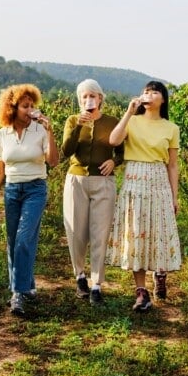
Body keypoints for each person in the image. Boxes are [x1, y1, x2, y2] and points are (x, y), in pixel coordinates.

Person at [107, 80, 181, 312]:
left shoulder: (171, 128)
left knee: (158, 230)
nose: (149, 94)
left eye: (154, 91)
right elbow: (114, 140)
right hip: (134, 180)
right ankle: (141, 292)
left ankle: (160, 273)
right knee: (136, 231)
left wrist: (174, 196)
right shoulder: (133, 121)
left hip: (159, 180)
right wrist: (128, 113)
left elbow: (172, 165)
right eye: (146, 91)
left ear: (163, 99)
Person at [0, 84, 59, 316]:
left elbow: (54, 162)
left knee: (23, 239)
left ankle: (17, 293)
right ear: (12, 108)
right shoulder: (2, 135)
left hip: (35, 189)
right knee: (12, 241)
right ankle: (25, 286)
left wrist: (50, 131)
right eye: (25, 106)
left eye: (32, 106)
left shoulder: (39, 131)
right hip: (12, 190)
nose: (30, 110)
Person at [61, 79, 124, 305]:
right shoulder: (71, 120)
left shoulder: (112, 122)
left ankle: (96, 284)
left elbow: (122, 151)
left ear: (100, 99)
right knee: (76, 231)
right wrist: (78, 125)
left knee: (100, 232)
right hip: (76, 180)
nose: (89, 101)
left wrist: (114, 162)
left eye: (92, 96)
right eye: (84, 97)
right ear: (80, 100)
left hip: (104, 182)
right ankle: (80, 276)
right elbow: (66, 150)